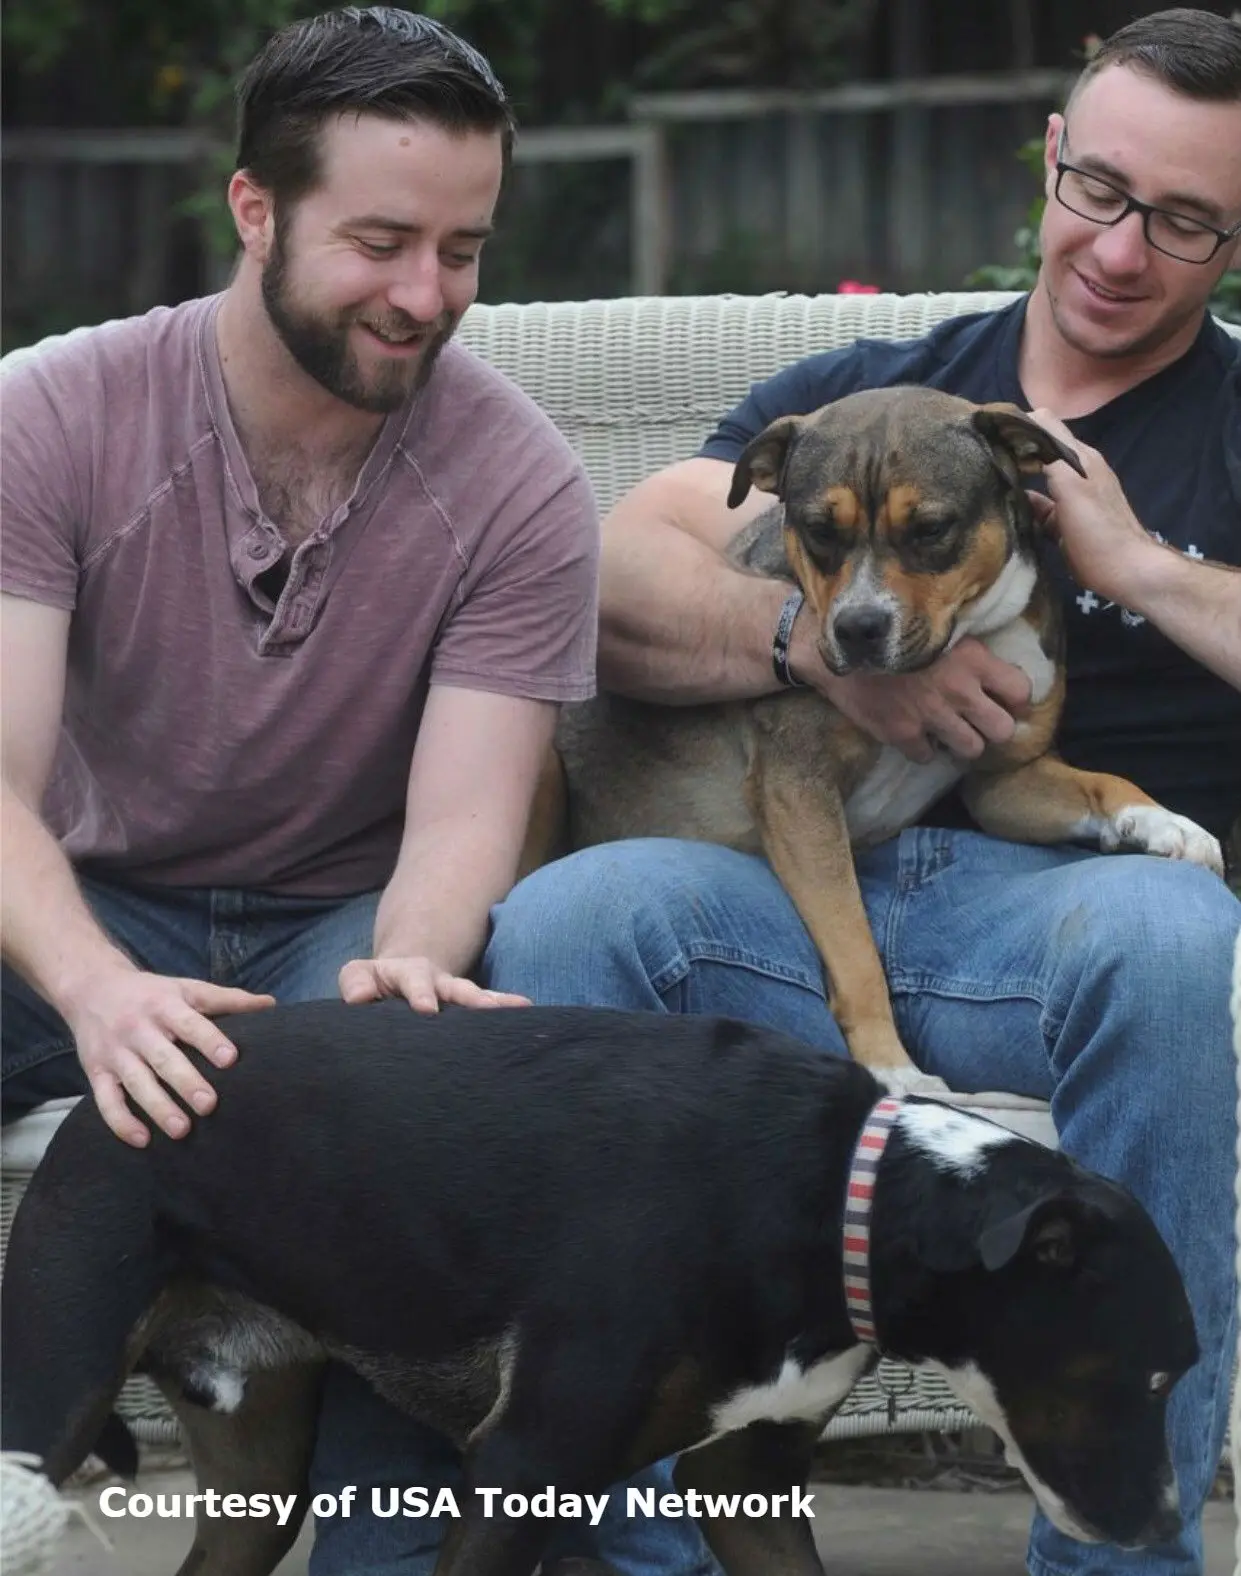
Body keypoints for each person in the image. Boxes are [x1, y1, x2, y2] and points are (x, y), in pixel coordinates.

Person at [482, 9, 1241, 1576]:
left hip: (1056, 921)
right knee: (564, 917)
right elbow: (616, 569)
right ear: (1051, 159)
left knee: (1175, 939)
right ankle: (625, 1552)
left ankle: (1119, 1561)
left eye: (1183, 220)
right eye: (1100, 189)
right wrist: (820, 647)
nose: (1117, 248)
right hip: (767, 875)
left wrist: (1141, 569)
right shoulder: (877, 391)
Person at [0, 9, 715, 1575]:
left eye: (462, 248)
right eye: (382, 241)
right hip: (78, 906)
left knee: (434, 1090)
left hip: (337, 921)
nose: (427, 296)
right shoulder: (53, 415)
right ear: (255, 209)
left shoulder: (517, 479)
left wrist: (412, 963)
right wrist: (102, 991)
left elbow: (465, 820)